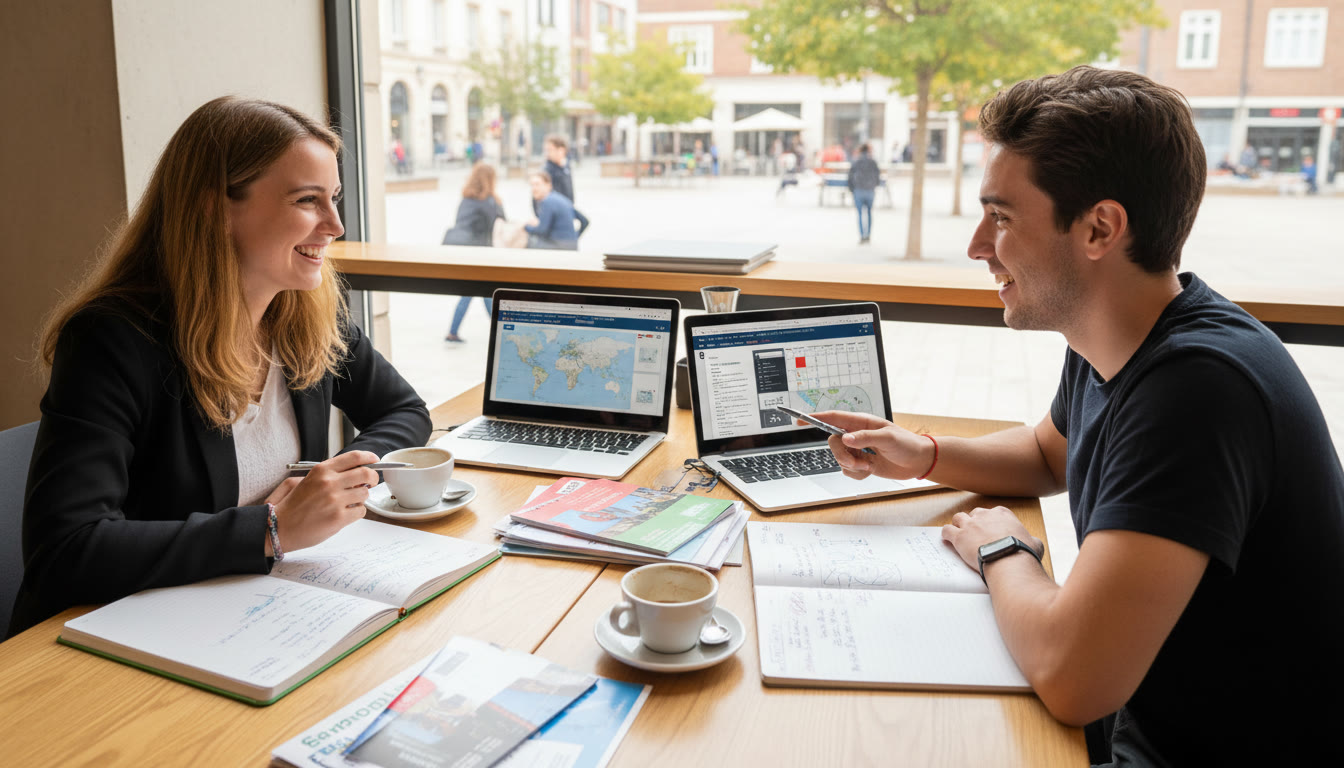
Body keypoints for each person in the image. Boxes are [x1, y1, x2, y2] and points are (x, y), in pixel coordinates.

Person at [816, 66, 1344, 765]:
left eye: (1001, 218)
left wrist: (1003, 552)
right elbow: (1046, 455)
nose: (977, 245)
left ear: (1100, 228)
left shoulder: (1199, 390)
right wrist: (925, 454)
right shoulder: (1118, 331)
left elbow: (1073, 679)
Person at [10, 96, 431, 636]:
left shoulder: (303, 314)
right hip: (125, 635)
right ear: (215, 208)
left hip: (256, 612)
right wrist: (271, 528)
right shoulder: (112, 340)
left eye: (335, 199)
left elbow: (403, 409)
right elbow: (66, 551)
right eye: (308, 200)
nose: (335, 225)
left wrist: (333, 484)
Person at [442, 163, 504, 342]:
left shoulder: (466, 198)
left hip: (464, 253)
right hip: (481, 254)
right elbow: (501, 221)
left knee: (477, 292)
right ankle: (501, 330)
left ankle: (453, 331)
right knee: (481, 292)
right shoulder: (489, 202)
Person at [525, 171, 587, 250]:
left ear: (548, 185)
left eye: (537, 184)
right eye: (532, 185)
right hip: (571, 246)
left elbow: (542, 231)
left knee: (527, 240)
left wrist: (526, 227)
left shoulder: (547, 201)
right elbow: (585, 221)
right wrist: (574, 238)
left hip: (558, 245)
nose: (534, 188)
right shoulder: (561, 199)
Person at [846, 143, 880, 244]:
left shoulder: (856, 162)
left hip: (859, 190)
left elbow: (850, 177)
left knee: (860, 214)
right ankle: (868, 235)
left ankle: (862, 236)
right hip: (870, 190)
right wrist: (874, 186)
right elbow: (877, 176)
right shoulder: (873, 162)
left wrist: (852, 189)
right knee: (869, 213)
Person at [536, 134, 574, 213]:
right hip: (552, 216)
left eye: (550, 150)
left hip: (566, 212)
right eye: (546, 150)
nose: (547, 153)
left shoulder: (566, 166)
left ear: (561, 150)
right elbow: (538, 198)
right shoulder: (546, 170)